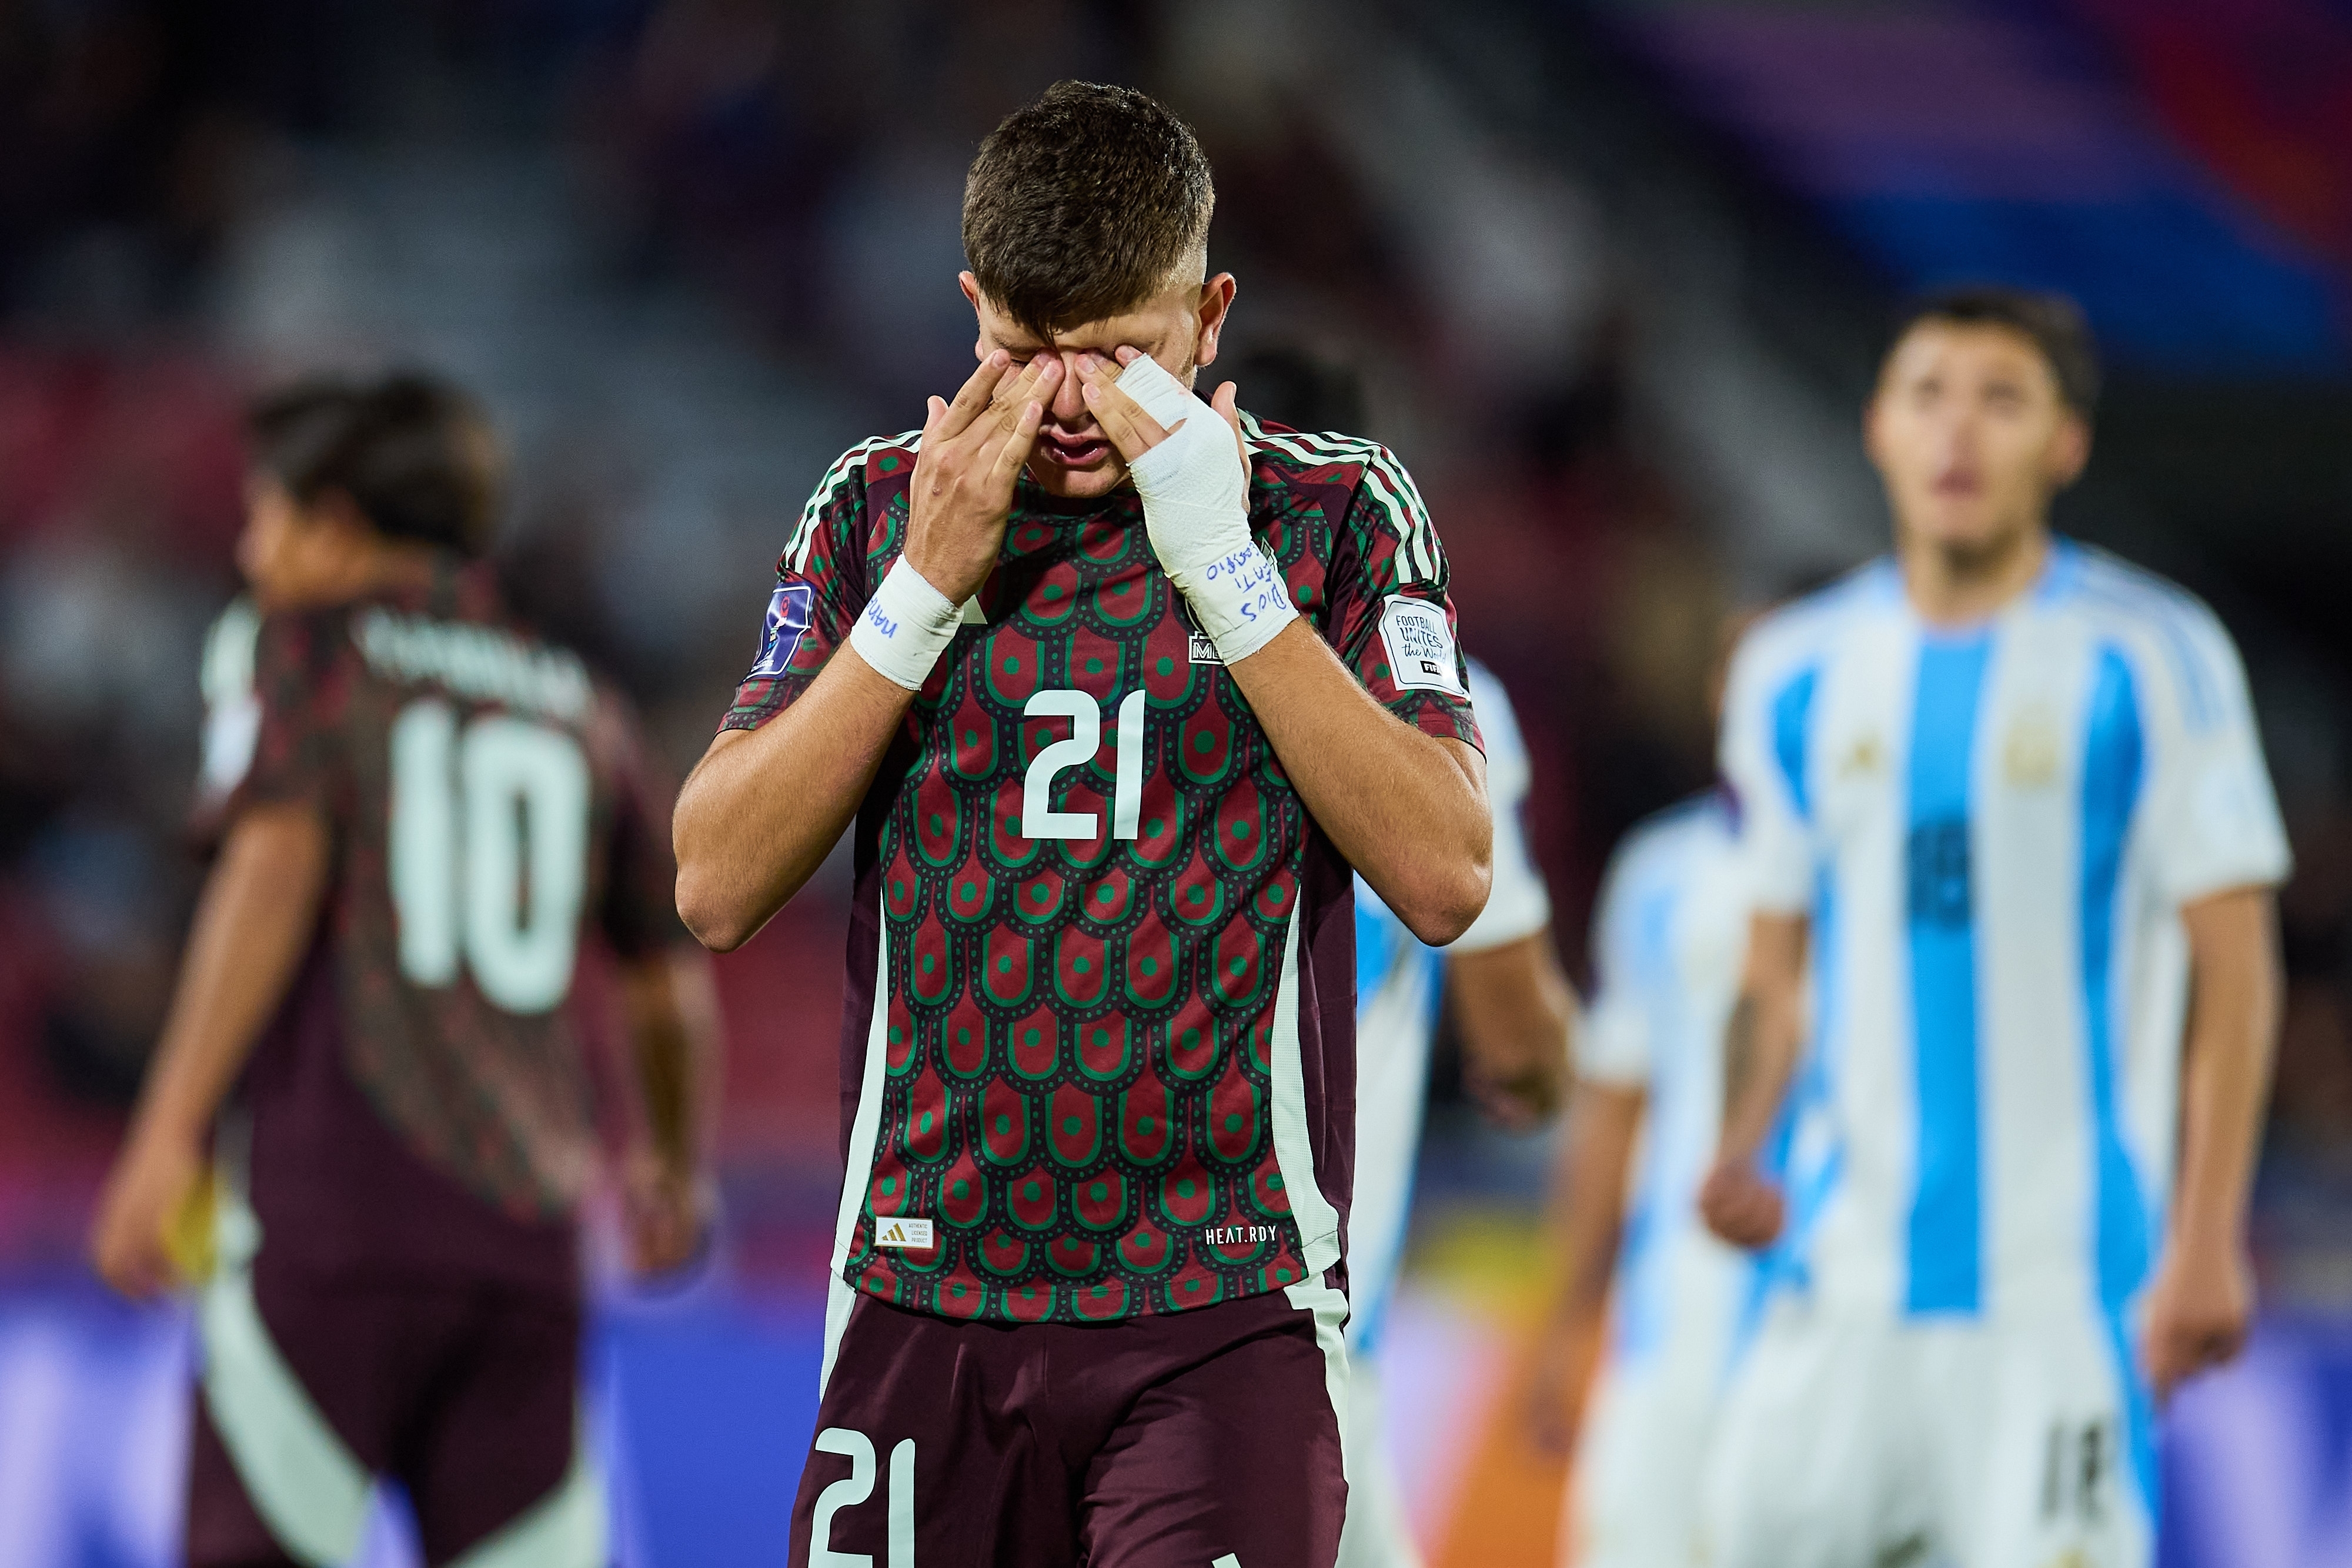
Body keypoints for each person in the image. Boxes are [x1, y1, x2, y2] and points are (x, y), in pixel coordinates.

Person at [671, 81, 1494, 1568]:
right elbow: (715, 881)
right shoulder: (876, 508)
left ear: (1211, 316)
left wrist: (1223, 564)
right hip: (922, 1293)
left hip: (1221, 1308)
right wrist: (922, 590)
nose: (1065, 404)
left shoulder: (1333, 513)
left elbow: (1444, 872)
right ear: (970, 309)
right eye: (1022, 351)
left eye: (1119, 354)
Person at [1698, 288, 2290, 1567]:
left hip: (2061, 1301)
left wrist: (2205, 1239)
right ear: (1876, 426)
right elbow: (1774, 971)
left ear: (2065, 444)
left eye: (2001, 399)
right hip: (1835, 1287)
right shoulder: (1791, 670)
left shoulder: (2151, 656)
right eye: (1928, 394)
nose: (1957, 430)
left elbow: (2235, 972)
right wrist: (1738, 1140)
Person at [88, 374, 721, 1568]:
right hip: (529, 1244)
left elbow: (273, 867)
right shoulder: (582, 703)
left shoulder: (300, 647)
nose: (251, 550)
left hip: (331, 1222)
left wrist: (167, 1130)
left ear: (334, 524)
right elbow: (663, 975)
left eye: (266, 515)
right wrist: (674, 1167)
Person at [1528, 613, 1777, 1568]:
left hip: (1836, 1318)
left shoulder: (1888, 877)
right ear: (1716, 690)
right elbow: (1613, 1108)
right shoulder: (1662, 873)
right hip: (1673, 1324)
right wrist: (1567, 1320)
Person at [1339, 655, 1572, 1568]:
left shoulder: (1107, 653)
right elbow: (1520, 1054)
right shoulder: (1438, 690)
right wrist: (1555, 1053)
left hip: (1057, 1294)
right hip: (1302, 1347)